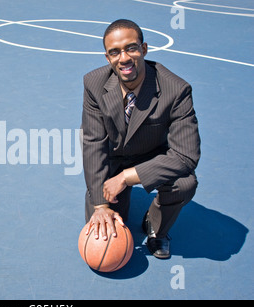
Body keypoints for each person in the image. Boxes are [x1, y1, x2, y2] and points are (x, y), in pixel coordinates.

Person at [81, 19, 201, 259]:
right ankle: (113, 203)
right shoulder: (94, 83)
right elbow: (93, 142)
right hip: (114, 158)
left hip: (152, 156)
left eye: (131, 48)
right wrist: (101, 205)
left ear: (144, 49)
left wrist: (126, 177)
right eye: (115, 52)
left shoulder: (176, 90)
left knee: (184, 184)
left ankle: (157, 228)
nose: (123, 58)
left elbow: (186, 155)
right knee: (106, 231)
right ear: (107, 58)